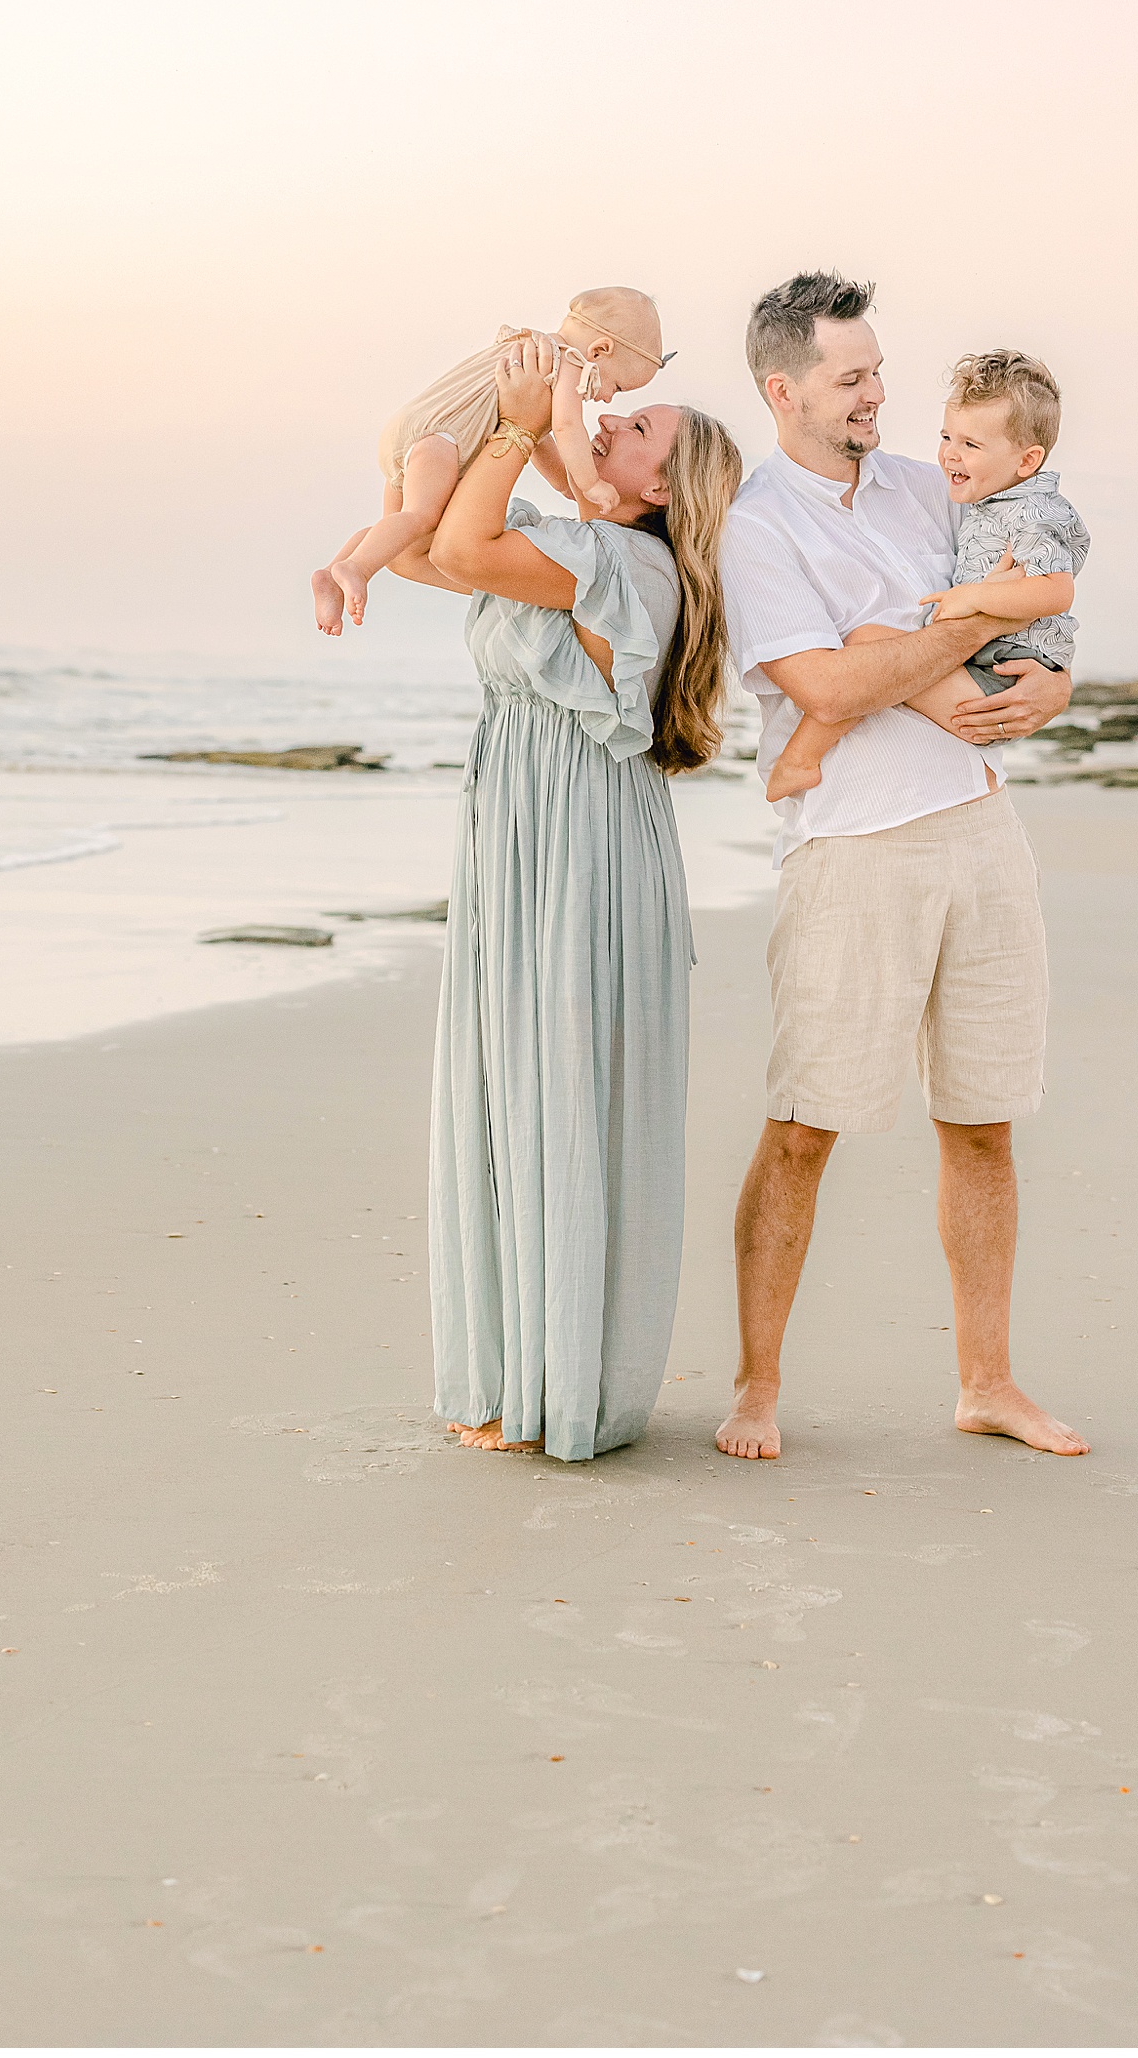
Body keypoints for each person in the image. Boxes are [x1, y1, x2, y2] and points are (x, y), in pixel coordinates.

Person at [713, 273, 1089, 1464]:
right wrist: (951, 650)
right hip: (852, 844)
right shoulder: (756, 523)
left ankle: (988, 1381)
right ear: (785, 389)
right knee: (805, 1123)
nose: (879, 390)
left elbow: (1027, 609)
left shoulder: (936, 484)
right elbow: (821, 687)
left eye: (878, 370)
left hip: (981, 825)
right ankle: (757, 1386)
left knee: (984, 1121)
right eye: (851, 375)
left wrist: (1053, 679)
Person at [393, 330, 741, 1462]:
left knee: (558, 1082)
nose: (614, 423)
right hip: (526, 820)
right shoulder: (586, 543)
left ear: (662, 484)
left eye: (639, 428)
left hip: (579, 835)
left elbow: (466, 541)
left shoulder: (624, 568)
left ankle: (562, 1381)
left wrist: (522, 424)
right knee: (514, 1080)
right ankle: (510, 1370)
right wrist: (494, 412)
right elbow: (424, 545)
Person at [765, 347, 1089, 802]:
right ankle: (798, 760)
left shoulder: (1033, 512)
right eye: (947, 437)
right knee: (869, 658)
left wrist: (971, 600)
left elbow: (1056, 592)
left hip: (995, 685)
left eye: (970, 445)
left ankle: (799, 760)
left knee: (866, 647)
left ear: (1027, 460)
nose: (950, 456)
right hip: (987, 674)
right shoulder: (987, 499)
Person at [312, 287, 672, 633]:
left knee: (406, 527)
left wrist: (569, 481)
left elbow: (538, 436)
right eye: (618, 386)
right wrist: (592, 483)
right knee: (419, 516)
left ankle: (332, 574)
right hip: (442, 440)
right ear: (600, 350)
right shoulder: (570, 363)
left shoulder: (531, 349)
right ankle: (355, 567)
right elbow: (565, 426)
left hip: (421, 432)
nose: (607, 400)